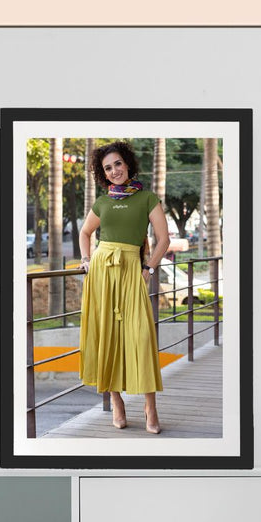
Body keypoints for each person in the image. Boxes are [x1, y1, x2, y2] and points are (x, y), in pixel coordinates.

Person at [77, 141, 171, 433]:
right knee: (106, 335)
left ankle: (150, 407)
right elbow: (85, 232)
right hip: (102, 271)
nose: (114, 170)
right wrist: (85, 259)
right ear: (103, 174)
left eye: (118, 164)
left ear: (127, 163)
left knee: (140, 337)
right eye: (108, 168)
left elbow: (163, 238)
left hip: (132, 270)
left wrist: (149, 267)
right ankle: (116, 402)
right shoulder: (102, 202)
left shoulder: (147, 198)